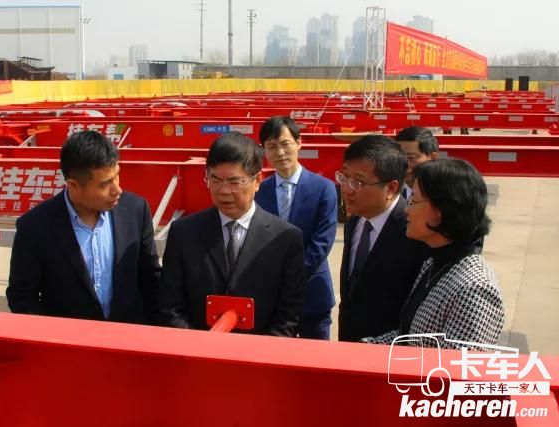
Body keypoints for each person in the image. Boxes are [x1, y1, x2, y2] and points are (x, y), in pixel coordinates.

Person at [159, 132, 305, 336]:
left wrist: (255, 352)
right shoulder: (184, 233)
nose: (223, 191)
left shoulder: (286, 239)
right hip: (196, 349)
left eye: (234, 182)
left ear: (257, 180)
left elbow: (288, 315)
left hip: (259, 351)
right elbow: (170, 306)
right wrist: (199, 348)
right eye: (215, 180)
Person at [7, 130, 161, 323]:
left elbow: (151, 280)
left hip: (129, 335)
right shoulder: (35, 227)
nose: (117, 189)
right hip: (67, 340)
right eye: (105, 184)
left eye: (117, 176)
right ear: (74, 185)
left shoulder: (135, 211)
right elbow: (22, 298)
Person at [363, 159, 504, 350]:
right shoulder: (434, 262)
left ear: (442, 210)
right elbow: (408, 337)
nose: (406, 209)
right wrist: (362, 349)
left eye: (413, 201)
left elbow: (457, 365)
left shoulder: (474, 288)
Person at [337, 135, 428, 342]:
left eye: (358, 182)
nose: (346, 189)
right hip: (349, 344)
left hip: (390, 351)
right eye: (344, 177)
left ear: (390, 188)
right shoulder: (355, 221)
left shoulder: (414, 231)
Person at [255, 116, 337, 340]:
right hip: (273, 298)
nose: (280, 152)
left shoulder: (324, 188)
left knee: (316, 357)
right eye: (272, 146)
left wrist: (289, 275)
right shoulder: (259, 191)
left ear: (299, 143)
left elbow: (322, 242)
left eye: (285, 144)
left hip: (313, 293)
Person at [395, 126, 439, 202]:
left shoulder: (446, 198)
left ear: (433, 158)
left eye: (411, 158)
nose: (403, 164)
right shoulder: (391, 193)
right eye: (398, 157)